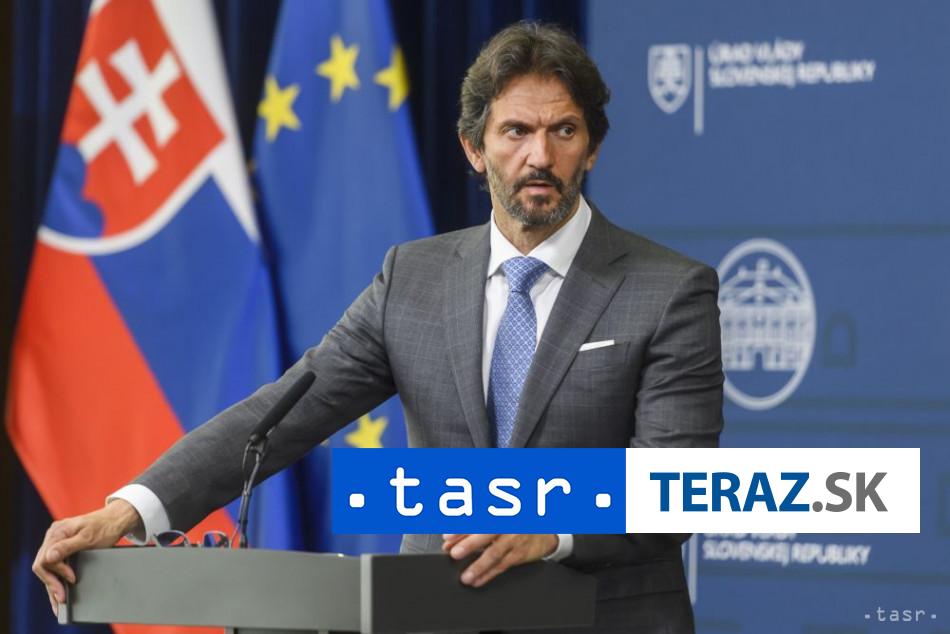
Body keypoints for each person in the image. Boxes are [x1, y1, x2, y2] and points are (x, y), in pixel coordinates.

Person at [33, 22, 723, 633]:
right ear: (474, 148)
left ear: (592, 148)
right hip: (433, 612)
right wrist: (131, 510)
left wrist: (552, 532)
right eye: (516, 131)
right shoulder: (412, 279)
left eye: (563, 131)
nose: (539, 156)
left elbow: (674, 485)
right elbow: (280, 416)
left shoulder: (669, 291)